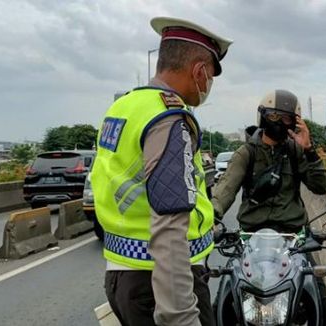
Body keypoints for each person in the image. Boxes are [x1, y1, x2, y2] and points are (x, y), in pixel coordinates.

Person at [90, 17, 232, 326]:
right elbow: (169, 227)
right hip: (159, 286)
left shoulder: (123, 107)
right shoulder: (168, 118)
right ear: (199, 72)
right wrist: (180, 316)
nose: (209, 85)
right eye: (211, 76)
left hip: (121, 277)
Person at [211, 89, 326, 325]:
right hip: (250, 240)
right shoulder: (246, 153)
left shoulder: (296, 151)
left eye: (286, 118)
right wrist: (209, 219)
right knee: (221, 306)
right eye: (274, 116)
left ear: (296, 122)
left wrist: (309, 149)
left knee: (322, 308)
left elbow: (321, 186)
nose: (279, 122)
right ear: (263, 116)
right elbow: (224, 190)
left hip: (293, 241)